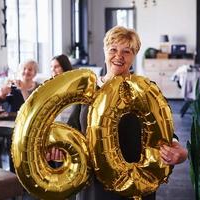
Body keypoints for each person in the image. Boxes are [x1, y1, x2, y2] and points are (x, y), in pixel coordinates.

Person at [50, 26, 188, 200]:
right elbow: (72, 130)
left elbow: (165, 131)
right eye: (113, 49)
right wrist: (59, 149)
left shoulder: (145, 91)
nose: (119, 56)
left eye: (127, 51)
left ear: (134, 55)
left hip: (136, 187)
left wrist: (179, 151)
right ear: (105, 51)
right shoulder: (88, 91)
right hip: (93, 190)